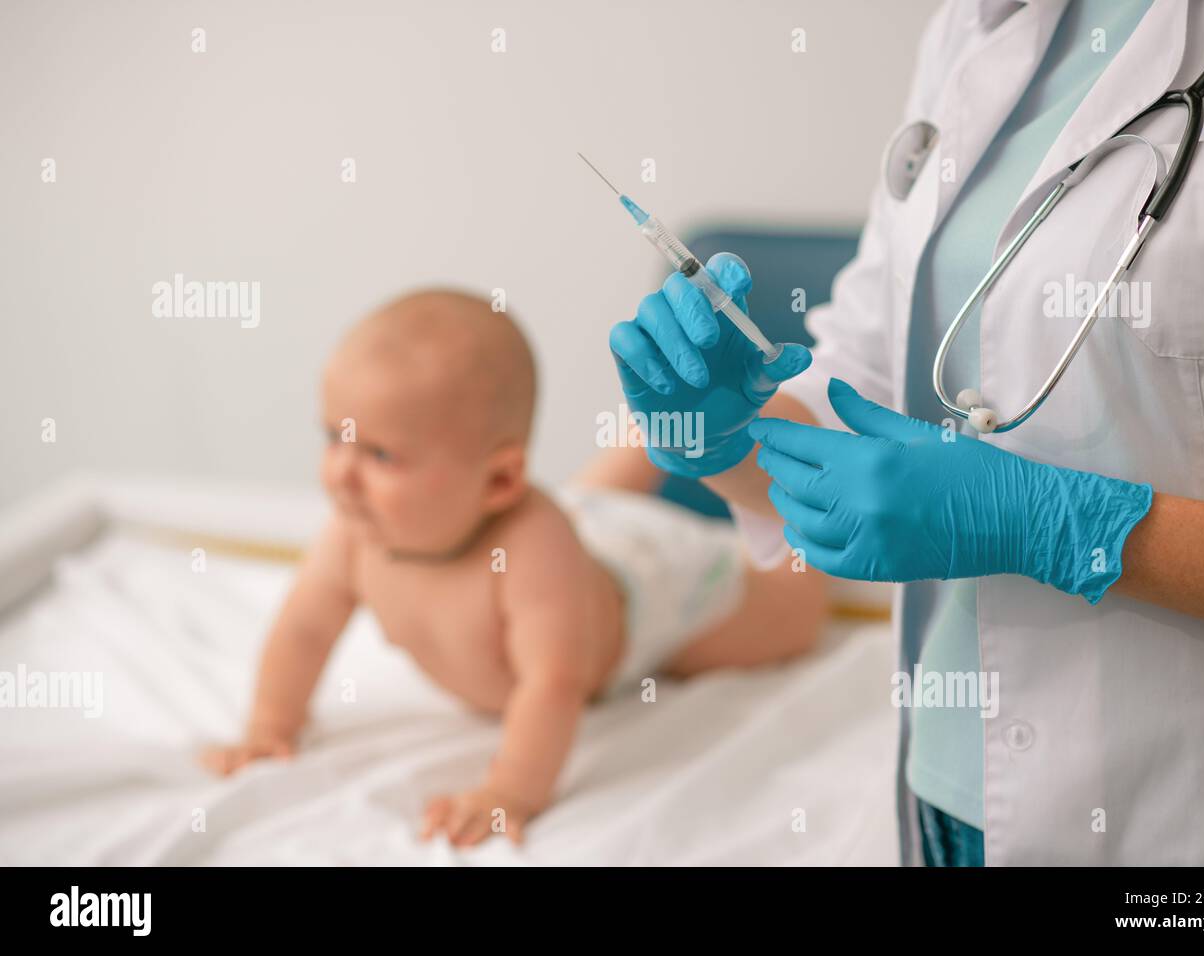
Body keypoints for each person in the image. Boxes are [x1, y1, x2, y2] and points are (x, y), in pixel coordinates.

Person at [607, 0, 1204, 865]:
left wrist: (1065, 525)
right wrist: (718, 434)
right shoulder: (970, 31)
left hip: (1200, 829)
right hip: (944, 797)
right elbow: (851, 396)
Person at [199, 289, 825, 846]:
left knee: (792, 620)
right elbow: (304, 628)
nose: (340, 472)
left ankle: (777, 461)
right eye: (335, 436)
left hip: (656, 585)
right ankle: (658, 431)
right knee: (594, 505)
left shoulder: (532, 549)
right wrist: (270, 725)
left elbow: (552, 683)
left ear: (500, 479)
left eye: (380, 454)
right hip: (593, 524)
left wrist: (509, 792)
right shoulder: (357, 533)